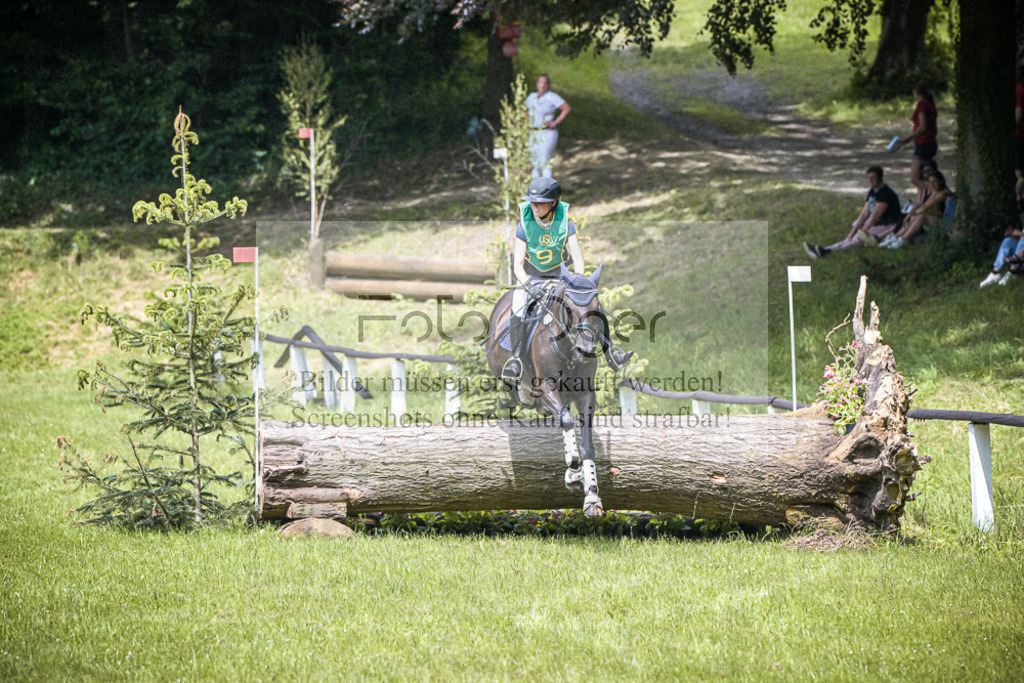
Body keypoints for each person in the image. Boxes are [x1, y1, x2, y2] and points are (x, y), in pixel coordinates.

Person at [502, 177, 631, 380]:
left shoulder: (565, 223)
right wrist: (527, 284)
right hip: (531, 279)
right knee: (518, 305)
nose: (534, 206)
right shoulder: (524, 224)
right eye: (532, 202)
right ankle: (516, 359)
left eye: (540, 202)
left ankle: (611, 352)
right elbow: (517, 265)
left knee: (591, 302)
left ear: (553, 203)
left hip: (562, 278)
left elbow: (578, 259)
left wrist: (578, 281)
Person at [803, 166, 902, 258]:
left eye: (873, 178)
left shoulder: (885, 193)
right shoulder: (873, 191)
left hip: (887, 225)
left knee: (858, 239)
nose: (870, 181)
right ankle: (824, 249)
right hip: (876, 224)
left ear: (880, 178)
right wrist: (852, 232)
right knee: (851, 237)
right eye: (869, 178)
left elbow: (875, 215)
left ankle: (828, 252)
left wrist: (863, 231)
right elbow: (864, 214)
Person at [881, 170, 953, 248]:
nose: (932, 184)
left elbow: (925, 208)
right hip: (935, 218)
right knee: (915, 216)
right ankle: (896, 237)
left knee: (921, 215)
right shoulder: (934, 191)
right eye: (930, 182)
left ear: (941, 181)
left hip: (945, 224)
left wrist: (910, 215)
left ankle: (903, 239)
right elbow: (924, 205)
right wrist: (912, 213)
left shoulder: (944, 193)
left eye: (934, 181)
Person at [894, 84, 938, 194]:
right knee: (922, 175)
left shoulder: (922, 104)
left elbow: (922, 127)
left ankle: (932, 194)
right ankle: (922, 200)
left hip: (923, 143)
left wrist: (908, 138)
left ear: (916, 93)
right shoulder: (930, 104)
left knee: (914, 178)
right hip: (931, 142)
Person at [525, 75, 571, 179]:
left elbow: (566, 108)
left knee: (544, 160)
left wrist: (555, 122)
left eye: (545, 83)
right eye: (541, 82)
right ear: (537, 84)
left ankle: (546, 188)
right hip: (534, 132)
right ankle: (536, 188)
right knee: (534, 162)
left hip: (547, 132)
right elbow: (524, 108)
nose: (543, 85)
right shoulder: (531, 97)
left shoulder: (552, 96)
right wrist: (527, 119)